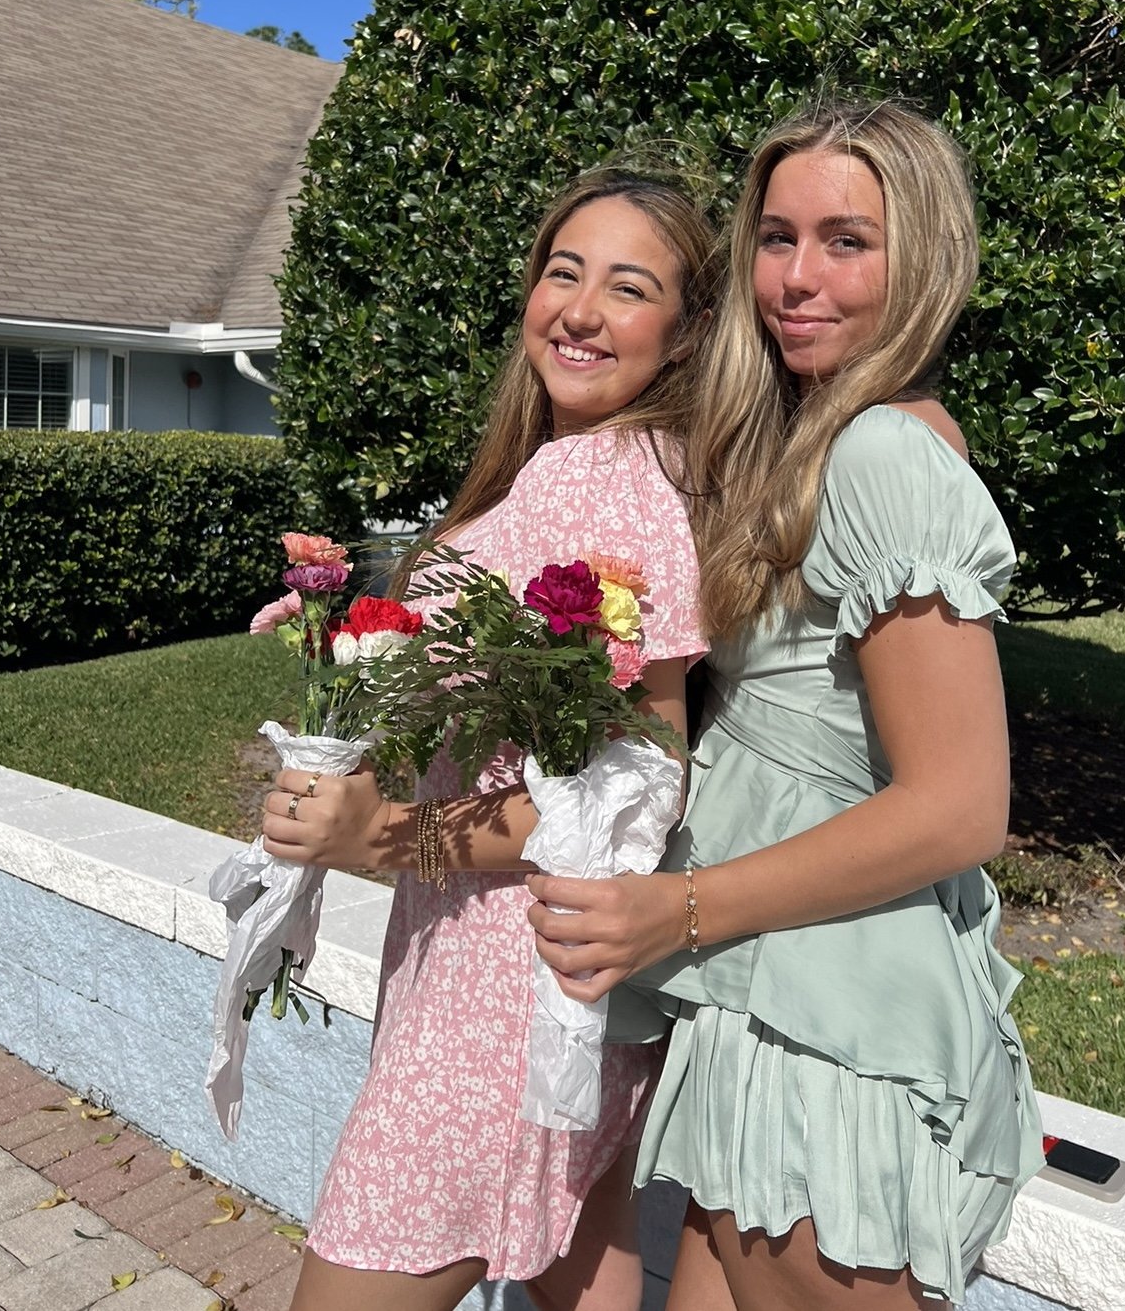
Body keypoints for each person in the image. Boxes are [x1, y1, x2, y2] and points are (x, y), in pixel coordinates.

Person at [528, 97, 1044, 1310]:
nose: (796, 280)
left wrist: (673, 911)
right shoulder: (824, 438)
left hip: (821, 1021)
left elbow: (959, 806)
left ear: (922, 259)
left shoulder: (879, 454)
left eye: (845, 242)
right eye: (775, 238)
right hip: (759, 989)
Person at [260, 167, 716, 1311]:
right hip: (537, 980)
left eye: (628, 288)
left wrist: (383, 834)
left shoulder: (604, 479)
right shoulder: (585, 468)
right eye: (563, 272)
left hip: (499, 995)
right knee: (579, 1256)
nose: (580, 310)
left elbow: (636, 783)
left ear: (684, 332)